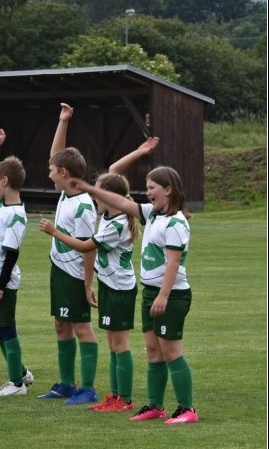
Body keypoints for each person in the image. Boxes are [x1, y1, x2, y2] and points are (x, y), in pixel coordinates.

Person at [38, 136, 160, 411]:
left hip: (119, 287)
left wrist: (54, 232)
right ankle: (115, 396)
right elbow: (114, 171)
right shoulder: (112, 212)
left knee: (119, 343)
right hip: (109, 284)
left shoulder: (115, 226)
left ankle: (120, 398)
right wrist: (138, 151)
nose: (95, 197)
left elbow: (86, 247)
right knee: (113, 342)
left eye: (99, 194)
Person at [73, 166, 197, 424]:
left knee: (171, 351)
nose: (148, 192)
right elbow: (121, 202)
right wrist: (89, 188)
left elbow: (173, 263)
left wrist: (163, 296)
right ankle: (155, 406)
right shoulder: (153, 213)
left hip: (172, 295)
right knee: (153, 351)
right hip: (151, 292)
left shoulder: (176, 223)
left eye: (152, 188)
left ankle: (187, 409)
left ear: (168, 190)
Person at [37, 103, 99, 404]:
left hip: (74, 275)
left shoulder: (84, 205)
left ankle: (87, 388)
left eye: (52, 171)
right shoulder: (66, 193)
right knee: (61, 325)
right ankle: (66, 383)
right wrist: (63, 121)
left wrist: (87, 285)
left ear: (64, 173)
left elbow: (89, 249)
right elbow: (56, 155)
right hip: (59, 270)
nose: (49, 174)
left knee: (82, 328)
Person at [0, 155, 32, 396]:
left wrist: (0, 285)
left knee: (5, 326)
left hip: (3, 278)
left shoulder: (16, 215)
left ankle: (16, 384)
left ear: (4, 180)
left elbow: (11, 253)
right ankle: (21, 372)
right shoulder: (1, 204)